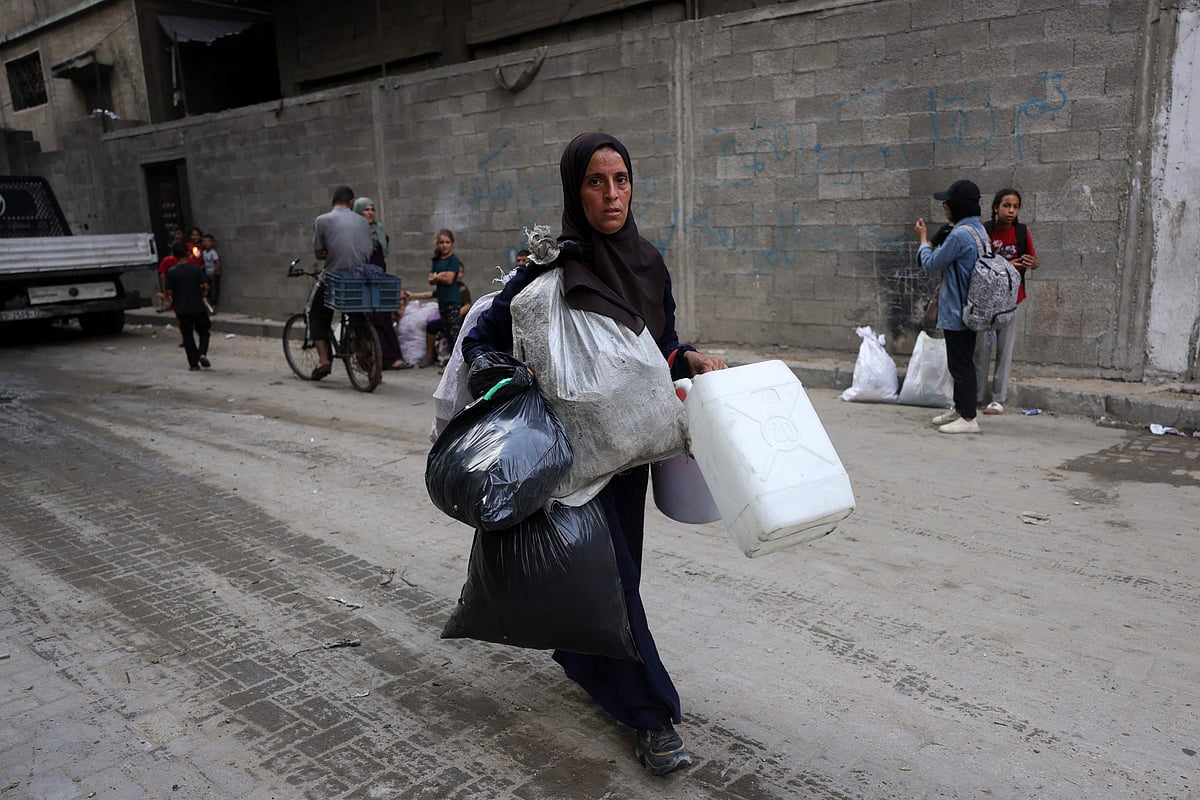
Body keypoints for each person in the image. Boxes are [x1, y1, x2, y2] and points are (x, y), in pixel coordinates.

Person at [462, 132, 727, 776]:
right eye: (595, 182)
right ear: (573, 190)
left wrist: (685, 355)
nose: (611, 195)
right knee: (608, 579)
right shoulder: (545, 271)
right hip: (570, 459)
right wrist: (506, 391)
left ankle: (584, 658)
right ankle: (653, 717)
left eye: (621, 180)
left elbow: (654, 346)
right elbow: (484, 339)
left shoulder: (648, 263)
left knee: (617, 577)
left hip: (629, 453)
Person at [915, 178, 986, 434]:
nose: (944, 206)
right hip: (971, 306)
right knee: (961, 361)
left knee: (961, 364)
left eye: (947, 202)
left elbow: (932, 262)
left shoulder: (959, 235)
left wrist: (923, 239)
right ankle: (960, 409)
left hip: (958, 310)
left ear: (958, 206)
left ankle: (968, 419)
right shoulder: (978, 230)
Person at [974, 188, 1038, 415]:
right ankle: (978, 396)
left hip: (1011, 300)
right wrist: (1010, 266)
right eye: (1006, 206)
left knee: (1004, 350)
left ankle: (998, 398)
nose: (1011, 211)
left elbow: (1034, 260)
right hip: (985, 302)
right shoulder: (984, 231)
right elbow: (977, 264)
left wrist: (1031, 262)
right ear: (995, 207)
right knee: (981, 351)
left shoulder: (1021, 232)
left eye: (1015, 207)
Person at [311, 185, 373, 380]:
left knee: (317, 314)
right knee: (358, 318)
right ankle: (369, 364)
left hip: (334, 278)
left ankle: (324, 361)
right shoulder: (364, 222)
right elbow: (367, 251)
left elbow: (319, 253)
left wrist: (332, 251)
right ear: (352, 201)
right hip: (360, 278)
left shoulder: (322, 220)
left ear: (333, 201)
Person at [352, 196, 411, 369]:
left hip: (379, 279)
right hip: (363, 281)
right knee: (369, 319)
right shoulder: (354, 234)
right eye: (366, 209)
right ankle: (372, 359)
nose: (370, 213)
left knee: (384, 315)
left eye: (372, 209)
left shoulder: (379, 231)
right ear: (358, 212)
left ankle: (392, 358)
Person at [164, 247, 212, 371]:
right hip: (198, 307)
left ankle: (193, 364)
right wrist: (203, 292)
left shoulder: (171, 272)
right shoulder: (195, 269)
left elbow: (169, 291)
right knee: (204, 332)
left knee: (187, 337)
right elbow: (206, 285)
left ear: (174, 256)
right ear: (187, 254)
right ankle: (202, 353)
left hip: (182, 309)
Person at [428, 229, 464, 362]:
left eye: (447, 242)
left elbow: (449, 279)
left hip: (452, 301)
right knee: (447, 334)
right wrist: (440, 276)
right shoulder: (436, 260)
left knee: (455, 334)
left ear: (452, 243)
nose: (444, 245)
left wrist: (437, 276)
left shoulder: (453, 260)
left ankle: (460, 362)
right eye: (441, 242)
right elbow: (430, 279)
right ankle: (452, 364)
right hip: (442, 301)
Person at [201, 233, 221, 313]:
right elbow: (205, 263)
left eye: (208, 241)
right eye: (204, 241)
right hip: (207, 274)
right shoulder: (204, 252)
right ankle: (208, 306)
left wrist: (213, 272)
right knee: (206, 289)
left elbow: (218, 264)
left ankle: (213, 307)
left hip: (214, 274)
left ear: (213, 243)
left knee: (214, 290)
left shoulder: (213, 252)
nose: (206, 243)